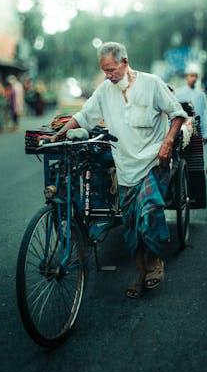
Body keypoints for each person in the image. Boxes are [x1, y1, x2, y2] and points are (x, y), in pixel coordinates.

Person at [50, 41, 187, 299]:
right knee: (131, 228)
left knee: (149, 214)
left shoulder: (152, 84)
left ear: (125, 62)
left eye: (112, 69)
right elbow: (83, 117)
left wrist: (168, 142)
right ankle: (141, 274)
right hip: (125, 169)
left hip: (152, 164)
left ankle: (155, 262)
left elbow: (177, 114)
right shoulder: (104, 91)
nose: (108, 75)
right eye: (104, 71)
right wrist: (58, 135)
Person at [175, 63, 207, 142]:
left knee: (197, 152)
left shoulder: (200, 95)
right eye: (191, 76)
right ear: (186, 77)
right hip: (182, 131)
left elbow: (205, 114)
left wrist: (206, 133)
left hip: (197, 131)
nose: (194, 78)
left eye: (195, 76)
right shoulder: (178, 93)